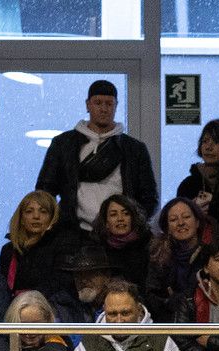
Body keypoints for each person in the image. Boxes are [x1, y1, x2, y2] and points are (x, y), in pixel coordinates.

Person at [37, 79, 157, 234]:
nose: (103, 109)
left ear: (116, 106)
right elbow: (45, 190)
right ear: (88, 105)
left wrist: (132, 226)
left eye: (109, 103)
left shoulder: (134, 149)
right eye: (98, 103)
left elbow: (149, 196)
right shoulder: (63, 144)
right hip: (72, 232)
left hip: (120, 236)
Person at [0, 189, 75, 303]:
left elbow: (61, 283)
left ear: (52, 218)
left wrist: (29, 301)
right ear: (21, 219)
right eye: (29, 211)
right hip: (14, 309)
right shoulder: (9, 250)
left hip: (50, 307)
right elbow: (2, 288)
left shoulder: (63, 246)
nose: (36, 216)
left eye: (43, 211)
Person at [145, 196, 214, 322]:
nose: (181, 223)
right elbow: (152, 296)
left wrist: (182, 299)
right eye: (173, 219)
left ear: (197, 222)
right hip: (168, 323)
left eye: (186, 217)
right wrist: (170, 302)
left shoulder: (212, 253)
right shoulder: (158, 255)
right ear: (167, 227)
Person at [90, 193, 153, 294]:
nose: (120, 218)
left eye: (126, 213)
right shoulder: (97, 250)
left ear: (133, 218)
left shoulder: (149, 245)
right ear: (106, 223)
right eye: (114, 214)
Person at [175, 118, 219, 223]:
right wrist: (190, 211)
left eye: (216, 142)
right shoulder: (189, 185)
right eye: (205, 141)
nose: (208, 147)